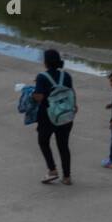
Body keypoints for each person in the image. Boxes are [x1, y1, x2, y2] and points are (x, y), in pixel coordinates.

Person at [32, 48, 76, 185]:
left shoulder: (41, 77)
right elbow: (72, 94)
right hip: (66, 116)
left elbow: (39, 97)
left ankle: (52, 170)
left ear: (45, 62)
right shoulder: (66, 76)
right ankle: (67, 177)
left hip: (48, 117)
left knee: (43, 141)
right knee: (63, 146)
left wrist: (32, 95)